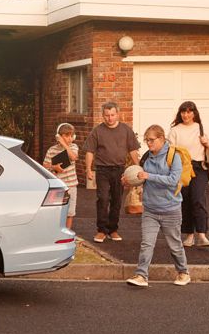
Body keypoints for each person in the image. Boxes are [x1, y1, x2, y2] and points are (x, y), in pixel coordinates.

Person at [124, 125, 190, 288]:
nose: (148, 143)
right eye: (146, 140)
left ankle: (183, 272)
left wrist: (149, 176)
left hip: (170, 209)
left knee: (175, 245)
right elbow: (140, 176)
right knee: (147, 243)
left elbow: (174, 180)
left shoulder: (173, 156)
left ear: (161, 138)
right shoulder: (147, 156)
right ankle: (141, 275)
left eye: (151, 140)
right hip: (150, 209)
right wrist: (129, 178)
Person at [83, 101, 140, 244]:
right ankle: (101, 230)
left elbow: (133, 150)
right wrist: (88, 169)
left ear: (118, 114)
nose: (110, 118)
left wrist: (138, 167)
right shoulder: (97, 131)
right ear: (103, 115)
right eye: (107, 115)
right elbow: (90, 151)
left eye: (112, 115)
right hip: (102, 170)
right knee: (102, 199)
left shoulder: (126, 130)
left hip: (120, 170)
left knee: (116, 200)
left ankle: (113, 229)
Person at [168, 100, 209, 248]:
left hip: (199, 167)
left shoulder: (199, 128)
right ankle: (189, 236)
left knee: (198, 198)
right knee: (185, 201)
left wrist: (206, 143)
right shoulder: (175, 130)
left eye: (189, 111)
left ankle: (202, 235)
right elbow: (170, 151)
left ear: (194, 113)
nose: (186, 115)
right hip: (182, 167)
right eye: (183, 112)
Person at [43, 123, 79, 230]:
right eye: (66, 136)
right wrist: (54, 167)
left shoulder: (73, 147)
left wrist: (64, 144)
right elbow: (44, 166)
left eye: (71, 136)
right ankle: (56, 231)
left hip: (71, 186)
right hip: (58, 186)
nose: (69, 138)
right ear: (58, 136)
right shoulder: (52, 150)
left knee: (70, 212)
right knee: (57, 211)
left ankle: (67, 231)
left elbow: (73, 157)